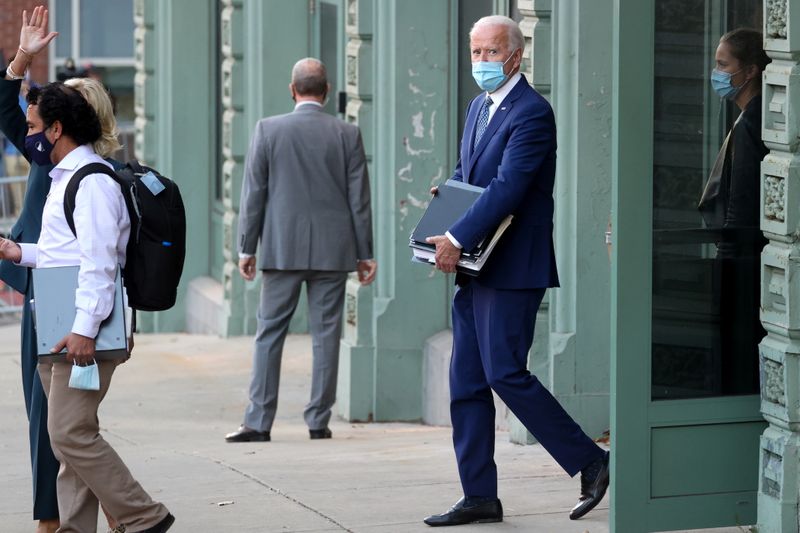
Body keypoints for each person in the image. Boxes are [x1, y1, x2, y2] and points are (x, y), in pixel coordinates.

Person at [422, 16, 609, 526]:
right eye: (474, 51)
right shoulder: (476, 107)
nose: (480, 61)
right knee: (466, 381)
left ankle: (590, 459)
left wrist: (455, 237)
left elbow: (508, 188)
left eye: (490, 52)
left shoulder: (532, 113)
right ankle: (479, 494)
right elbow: (470, 176)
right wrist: (447, 202)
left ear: (515, 56)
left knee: (505, 373)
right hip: (476, 265)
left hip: (512, 267)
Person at [0, 82, 174, 533]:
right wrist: (20, 253)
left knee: (69, 434)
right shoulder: (65, 177)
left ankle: (142, 515)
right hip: (60, 327)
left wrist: (84, 331)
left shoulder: (92, 182)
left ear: (57, 129)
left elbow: (100, 265)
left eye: (35, 126)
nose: (30, 136)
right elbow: (66, 254)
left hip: (82, 332)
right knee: (69, 443)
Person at [0, 9, 129, 532]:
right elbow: (9, 113)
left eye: (45, 117)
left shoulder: (84, 172)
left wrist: (83, 325)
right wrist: (21, 60)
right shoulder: (51, 158)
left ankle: (119, 516)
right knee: (64, 424)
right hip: (44, 290)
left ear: (67, 124)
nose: (34, 125)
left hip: (69, 308)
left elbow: (98, 263)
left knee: (60, 426)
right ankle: (68, 520)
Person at [226, 57, 377, 443]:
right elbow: (359, 200)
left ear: (293, 90)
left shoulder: (268, 129)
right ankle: (317, 420)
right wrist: (365, 254)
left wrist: (246, 248)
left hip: (281, 248)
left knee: (269, 334)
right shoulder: (347, 134)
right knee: (326, 336)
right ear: (325, 92)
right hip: (333, 250)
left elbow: (254, 194)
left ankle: (258, 422)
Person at [699, 28, 770, 393]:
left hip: (743, 259)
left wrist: (727, 258)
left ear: (750, 71)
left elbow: (741, 201)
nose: (717, 73)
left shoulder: (752, 123)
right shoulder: (752, 117)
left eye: (723, 64)